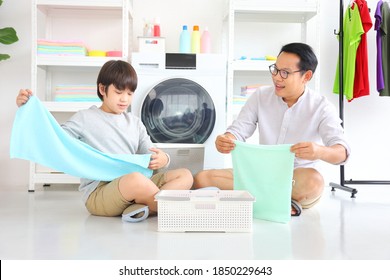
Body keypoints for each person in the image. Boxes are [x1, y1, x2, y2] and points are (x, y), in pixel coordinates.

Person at [16, 60, 193, 221]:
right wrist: (28, 108)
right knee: (136, 180)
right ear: (102, 89)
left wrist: (164, 159)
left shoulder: (135, 123)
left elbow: (150, 154)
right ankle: (171, 209)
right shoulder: (85, 118)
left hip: (134, 183)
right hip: (99, 192)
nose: (125, 99)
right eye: (118, 92)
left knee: (184, 175)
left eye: (130, 93)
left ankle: (145, 205)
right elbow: (55, 139)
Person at [193, 42, 350, 216]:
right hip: (258, 175)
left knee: (314, 182)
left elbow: (341, 153)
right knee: (202, 179)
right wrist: (226, 139)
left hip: (294, 180)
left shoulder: (321, 106)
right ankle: (277, 202)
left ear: (306, 76)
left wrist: (319, 151)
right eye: (275, 69)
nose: (276, 77)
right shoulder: (260, 96)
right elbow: (238, 131)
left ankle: (255, 198)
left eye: (285, 73)